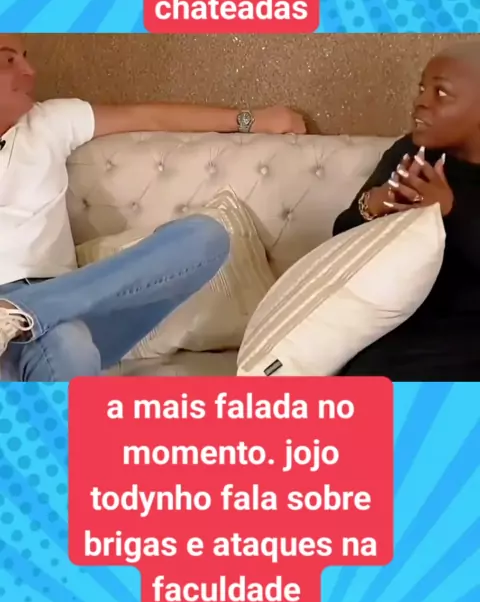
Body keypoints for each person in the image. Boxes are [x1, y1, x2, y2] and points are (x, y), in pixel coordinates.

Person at [0, 34, 306, 381]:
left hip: (71, 300)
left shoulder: (49, 121)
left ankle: (20, 312)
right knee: (72, 346)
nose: (30, 71)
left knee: (206, 238)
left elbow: (147, 116)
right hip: (61, 335)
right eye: (8, 60)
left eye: (25, 57)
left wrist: (252, 120)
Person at [333, 41, 480, 381]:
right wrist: (374, 204)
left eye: (441, 93)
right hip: (405, 326)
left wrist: (449, 210)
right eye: (422, 88)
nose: (421, 101)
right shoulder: (411, 152)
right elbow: (341, 239)